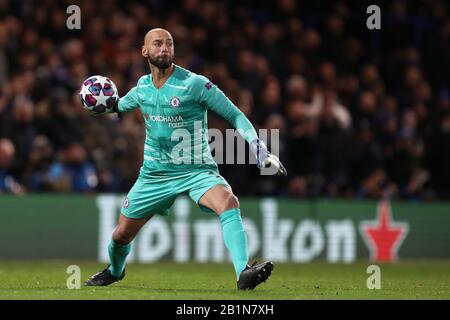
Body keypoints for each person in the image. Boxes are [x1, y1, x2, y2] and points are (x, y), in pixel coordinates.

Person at [84, 28, 287, 290]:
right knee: (121, 235)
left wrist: (260, 150)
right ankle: (115, 270)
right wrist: (97, 103)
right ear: (144, 51)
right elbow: (118, 106)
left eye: (169, 43)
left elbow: (235, 115)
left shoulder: (195, 84)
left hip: (196, 170)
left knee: (228, 201)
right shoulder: (142, 88)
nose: (164, 48)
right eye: (157, 44)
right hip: (155, 175)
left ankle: (243, 273)